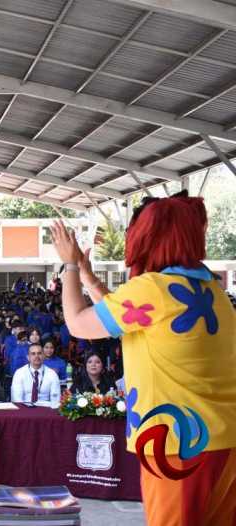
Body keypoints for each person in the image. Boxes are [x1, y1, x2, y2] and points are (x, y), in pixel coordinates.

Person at [51, 192, 236, 526]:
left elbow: (78, 323)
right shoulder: (213, 291)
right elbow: (129, 319)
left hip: (177, 446)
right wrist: (89, 277)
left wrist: (69, 266)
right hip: (227, 444)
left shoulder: (153, 288)